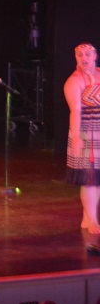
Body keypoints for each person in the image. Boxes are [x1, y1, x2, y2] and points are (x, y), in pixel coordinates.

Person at [64, 42, 100, 234]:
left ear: (95, 56)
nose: (84, 58)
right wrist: (77, 137)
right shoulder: (74, 81)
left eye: (87, 54)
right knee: (89, 178)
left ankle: (87, 217)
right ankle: (92, 220)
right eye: (80, 55)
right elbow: (76, 111)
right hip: (86, 132)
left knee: (98, 179)